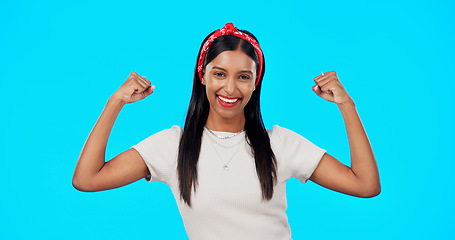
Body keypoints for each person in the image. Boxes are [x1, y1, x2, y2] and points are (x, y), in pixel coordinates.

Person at [72, 22, 380, 239]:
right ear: (202, 75)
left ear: (255, 82)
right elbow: (87, 179)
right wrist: (116, 102)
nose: (230, 88)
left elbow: (365, 185)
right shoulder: (172, 147)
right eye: (219, 74)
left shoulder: (281, 145)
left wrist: (346, 105)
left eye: (243, 77)